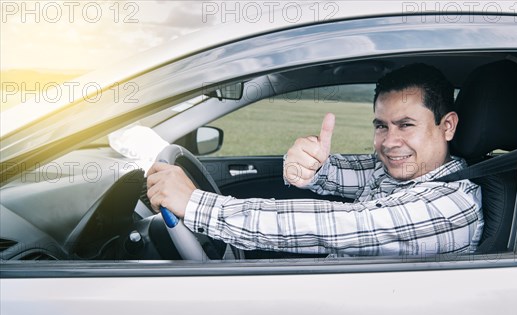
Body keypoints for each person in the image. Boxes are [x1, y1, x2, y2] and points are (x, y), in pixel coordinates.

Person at [147, 63, 484, 256]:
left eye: (406, 125)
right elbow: (338, 172)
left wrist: (196, 205)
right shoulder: (401, 172)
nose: (389, 142)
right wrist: (308, 164)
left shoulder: (451, 204)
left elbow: (336, 226)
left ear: (448, 125)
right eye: (381, 126)